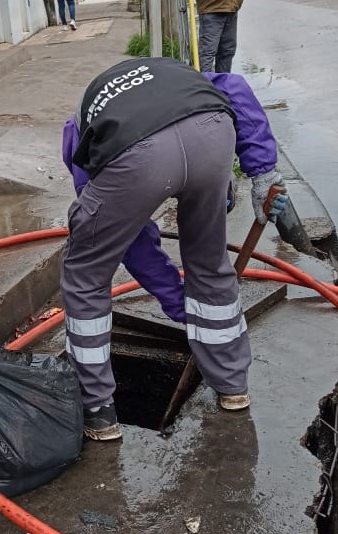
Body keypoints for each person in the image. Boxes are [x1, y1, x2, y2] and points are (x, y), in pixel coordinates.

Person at [61, 57, 288, 441]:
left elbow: (128, 241)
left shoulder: (82, 127)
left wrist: (171, 296)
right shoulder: (186, 77)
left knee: (85, 274)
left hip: (136, 156)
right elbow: (235, 87)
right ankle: (233, 387)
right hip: (211, 136)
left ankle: (98, 411)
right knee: (210, 260)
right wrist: (263, 172)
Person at [198, 0, 244, 73]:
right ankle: (205, 83)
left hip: (231, 9)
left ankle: (222, 82)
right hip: (212, 9)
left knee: (227, 52)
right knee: (208, 54)